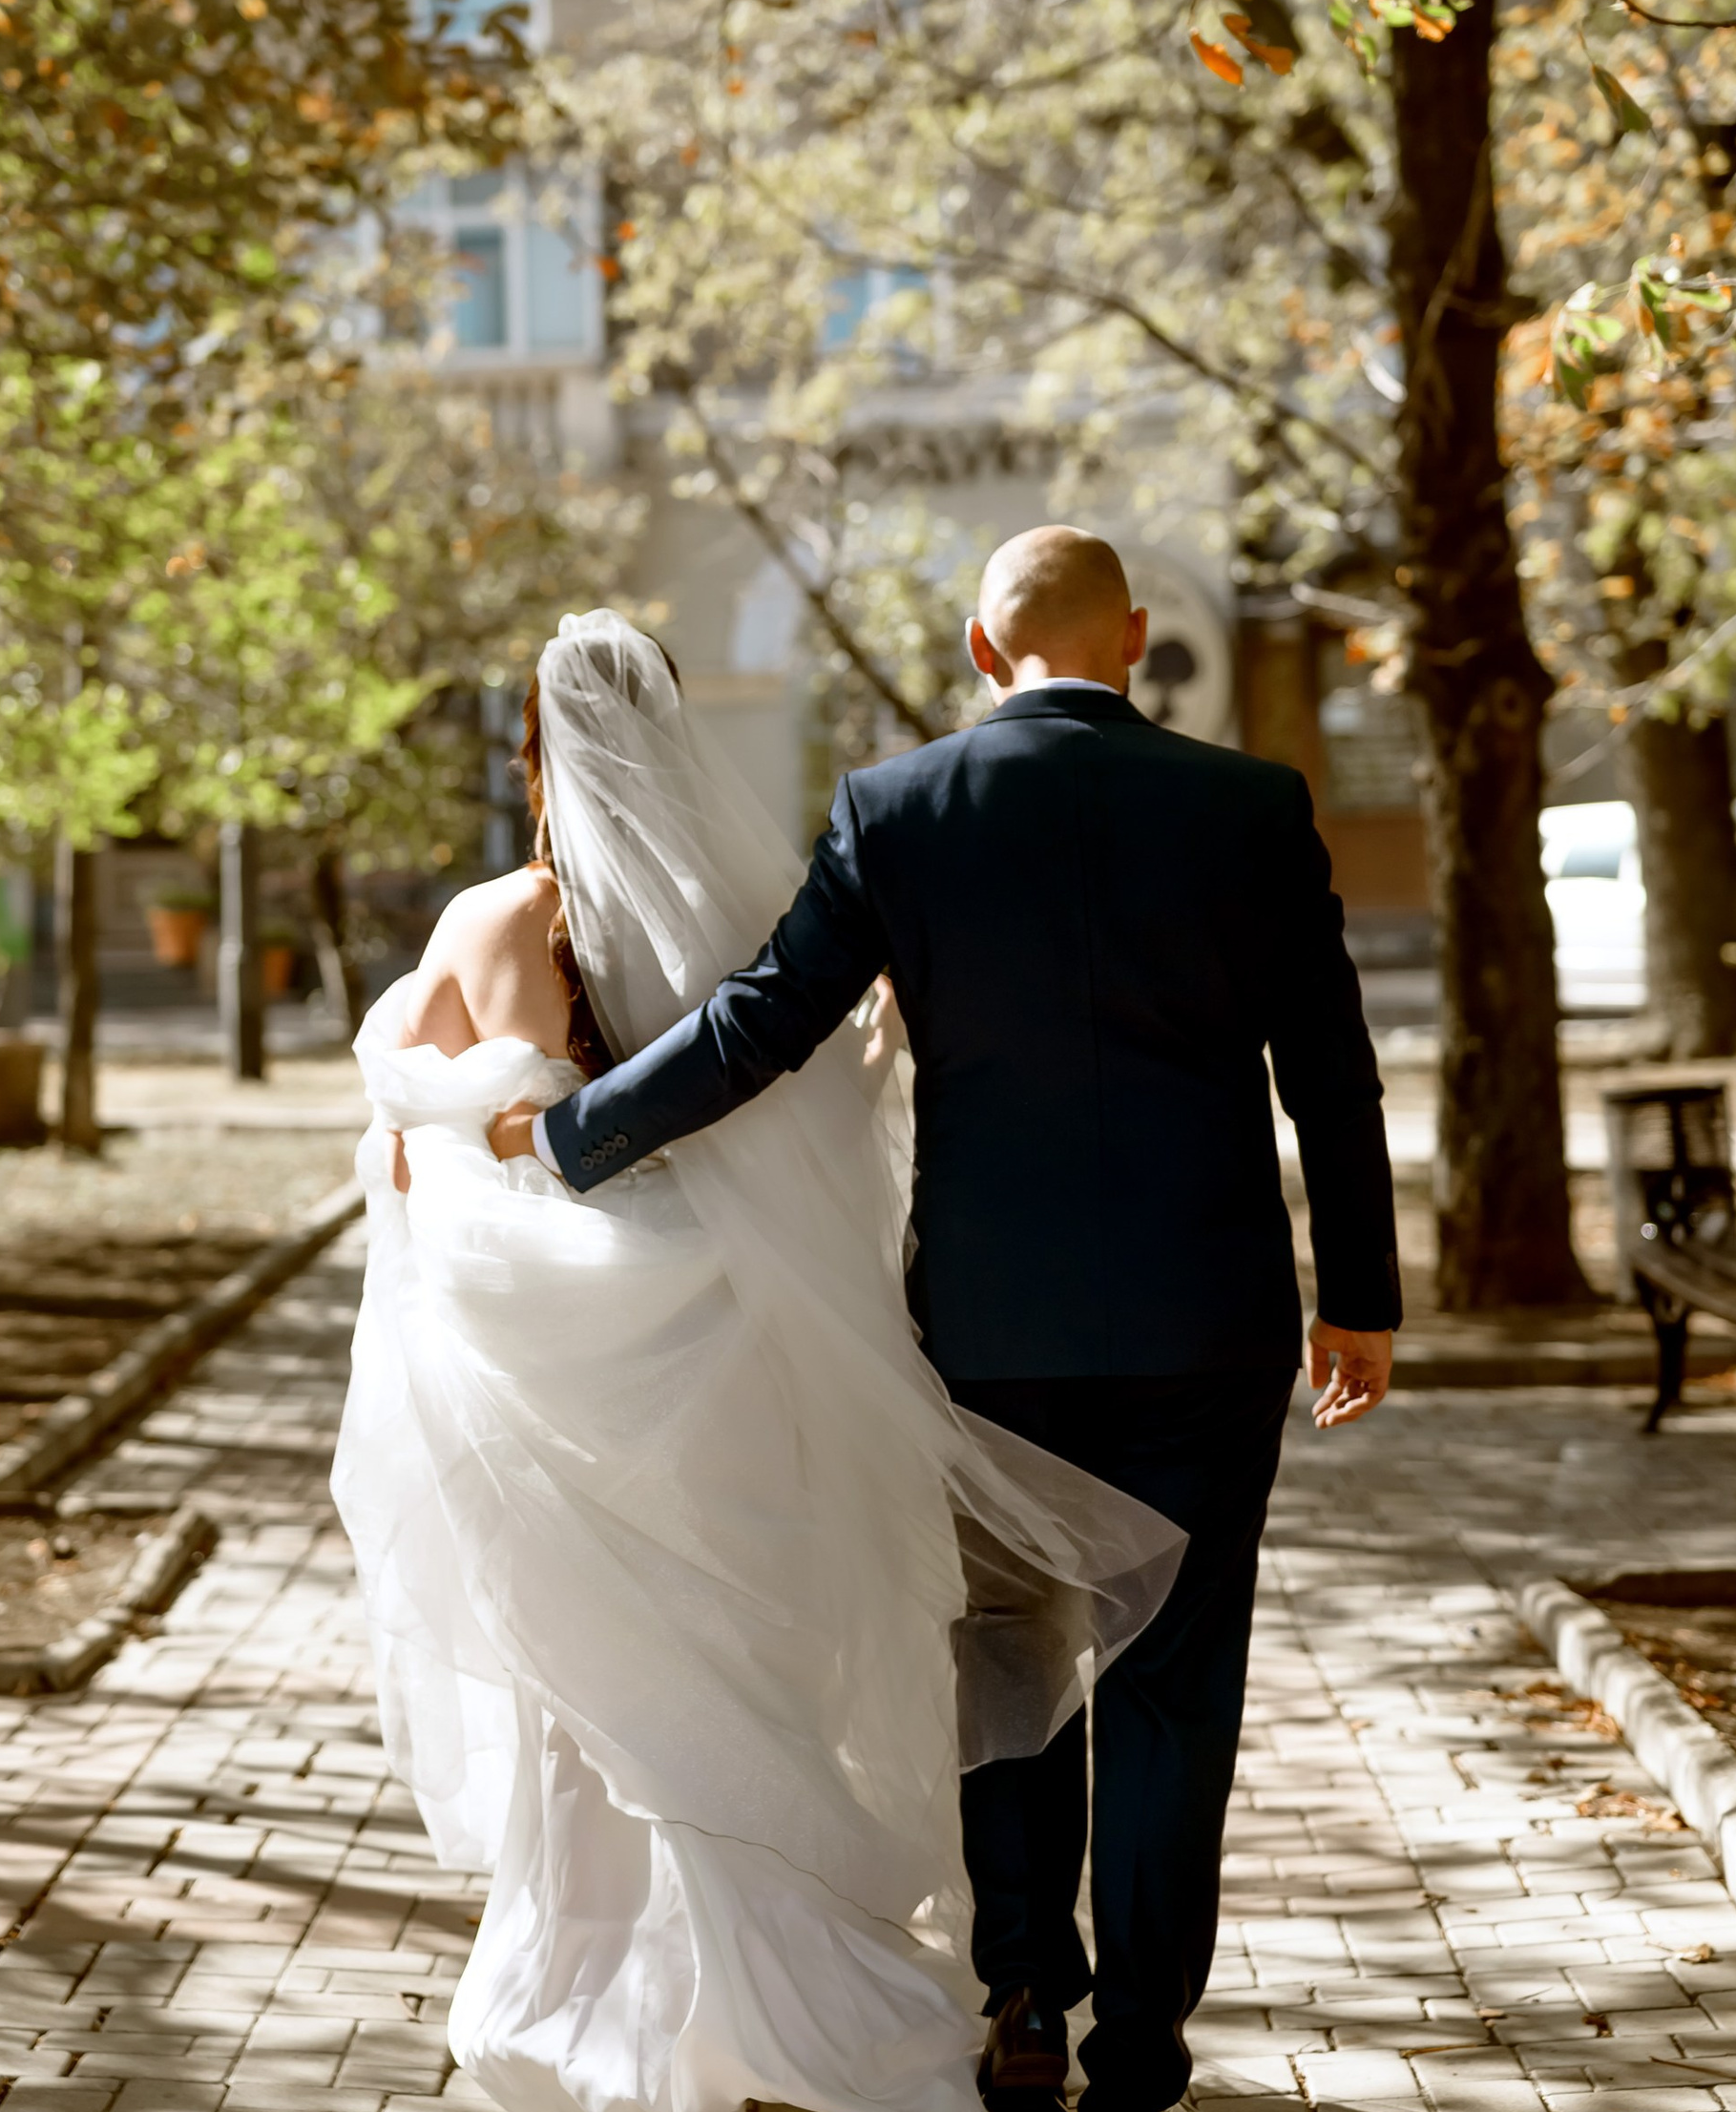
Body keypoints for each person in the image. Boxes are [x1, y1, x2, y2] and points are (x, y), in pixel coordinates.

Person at [495, 530, 1401, 2112]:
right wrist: (1365, 1306)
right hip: (1211, 1323)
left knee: (1009, 1663)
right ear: (1130, 639)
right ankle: (1145, 2053)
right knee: (1176, 1686)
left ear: (983, 655)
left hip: (989, 1328)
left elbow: (765, 1022)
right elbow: (1331, 1073)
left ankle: (1027, 1996)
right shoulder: (1250, 809)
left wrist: (575, 1139)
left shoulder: (895, 810)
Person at [332, 608, 1186, 2112]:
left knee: (584, 1703)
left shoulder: (482, 923)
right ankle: (789, 2013)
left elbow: (418, 1138)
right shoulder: (746, 916)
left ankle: (585, 2006)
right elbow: (809, 1090)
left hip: (557, 1385)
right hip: (722, 1356)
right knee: (739, 1678)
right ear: (675, 733)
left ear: (533, 740)